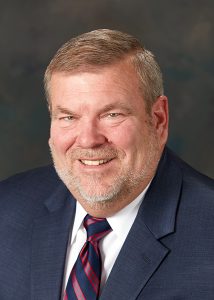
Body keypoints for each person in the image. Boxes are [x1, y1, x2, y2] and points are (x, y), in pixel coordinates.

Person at [0, 29, 213, 300]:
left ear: (158, 120)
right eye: (68, 117)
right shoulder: (7, 208)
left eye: (112, 114)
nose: (88, 140)